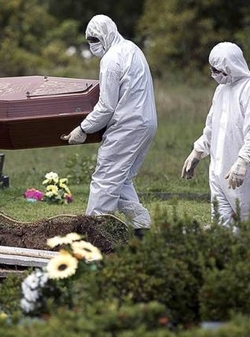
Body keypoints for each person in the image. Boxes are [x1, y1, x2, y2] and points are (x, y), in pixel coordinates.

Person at [62, 14, 157, 239]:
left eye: (95, 39)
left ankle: (95, 234)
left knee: (105, 178)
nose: (93, 45)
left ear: (106, 34)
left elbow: (106, 107)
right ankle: (142, 228)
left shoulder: (111, 60)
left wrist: (83, 129)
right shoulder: (132, 48)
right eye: (89, 41)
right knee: (121, 177)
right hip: (146, 122)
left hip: (127, 125)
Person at [181, 42, 250, 231]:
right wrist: (198, 151)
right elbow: (212, 127)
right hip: (219, 169)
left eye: (219, 71)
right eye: (213, 70)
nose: (215, 75)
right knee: (222, 227)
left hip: (246, 172)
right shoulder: (221, 90)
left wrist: (243, 161)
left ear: (232, 66)